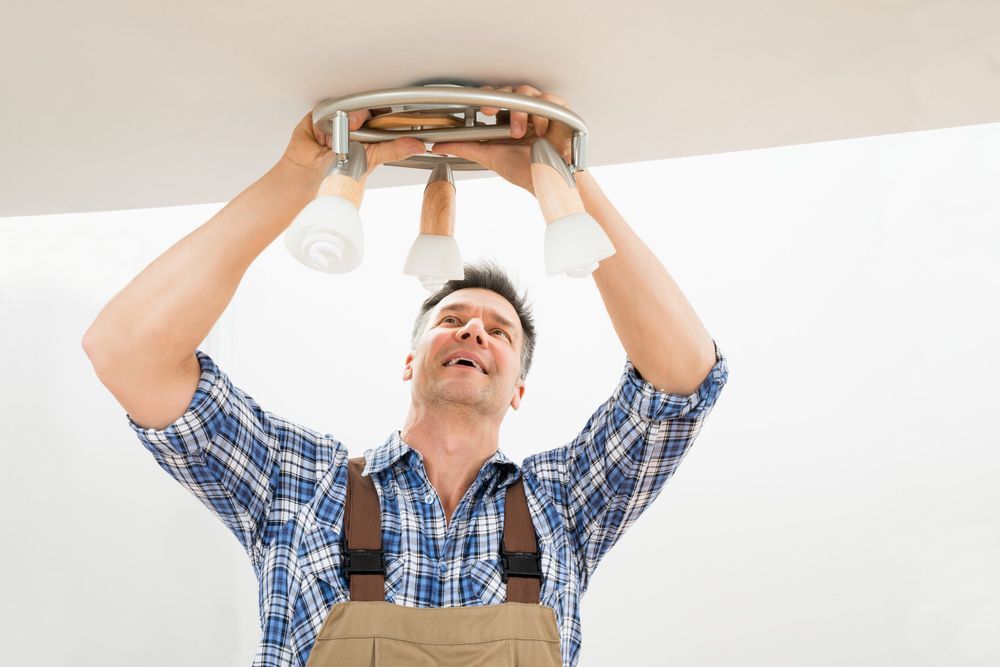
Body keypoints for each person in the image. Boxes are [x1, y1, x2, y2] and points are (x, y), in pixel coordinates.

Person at [82, 84, 729, 667]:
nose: (475, 330)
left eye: (500, 331)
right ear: (410, 360)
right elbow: (126, 351)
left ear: (519, 390)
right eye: (453, 318)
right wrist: (296, 176)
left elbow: (682, 376)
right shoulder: (301, 485)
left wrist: (562, 185)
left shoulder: (560, 505)